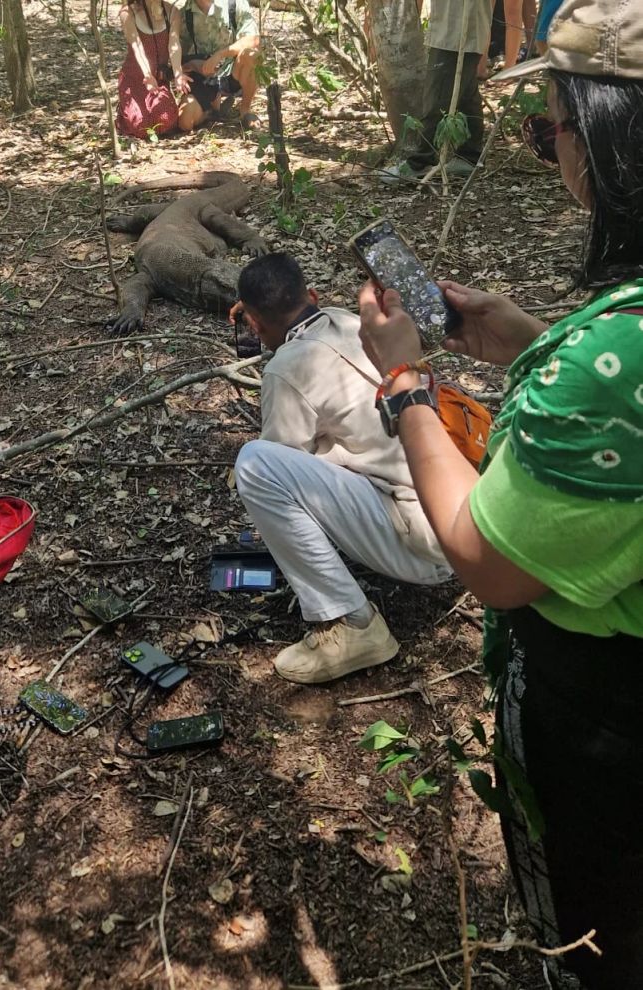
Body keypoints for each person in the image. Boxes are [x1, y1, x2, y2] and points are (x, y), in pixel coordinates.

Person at [358, 1, 643, 984]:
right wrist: (530, 343)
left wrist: (406, 388)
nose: (544, 149)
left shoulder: (613, 360)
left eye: (550, 125)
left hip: (609, 728)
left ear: (610, 140)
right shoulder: (613, 347)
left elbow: (487, 559)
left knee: (600, 935)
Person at [231, 253, 452, 684]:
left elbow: (282, 461)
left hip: (426, 550)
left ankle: (353, 625)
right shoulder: (351, 321)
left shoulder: (286, 367)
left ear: (254, 325)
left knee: (256, 464)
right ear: (312, 296)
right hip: (460, 518)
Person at [380, 0, 493, 183]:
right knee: (465, 93)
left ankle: (420, 162)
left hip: (456, 29)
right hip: (455, 25)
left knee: (437, 96)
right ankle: (470, 156)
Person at [177, 0, 261, 131]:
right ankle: (212, 111)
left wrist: (221, 55)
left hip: (232, 72)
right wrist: (192, 65)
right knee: (185, 122)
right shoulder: (184, 13)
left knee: (251, 55)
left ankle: (245, 111)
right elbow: (178, 55)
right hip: (203, 79)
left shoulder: (235, 4)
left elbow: (253, 40)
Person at [117, 0, 191, 140]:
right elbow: (136, 46)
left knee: (166, 121)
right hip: (134, 78)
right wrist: (147, 75)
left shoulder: (172, 12)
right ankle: (123, 112)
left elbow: (173, 44)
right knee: (140, 126)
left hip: (158, 80)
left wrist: (178, 73)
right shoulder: (128, 13)